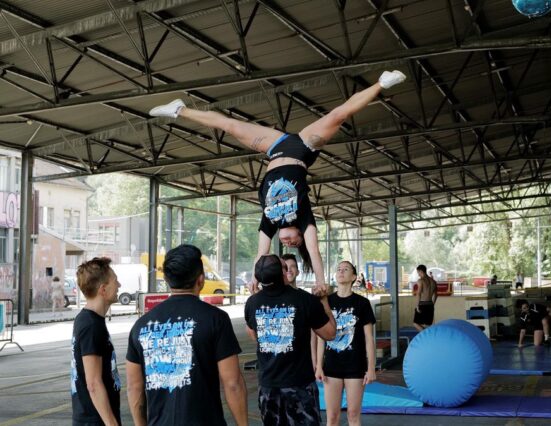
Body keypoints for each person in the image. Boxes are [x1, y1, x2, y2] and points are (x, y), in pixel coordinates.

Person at [149, 71, 407, 295]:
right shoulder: (303, 216)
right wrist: (319, 281)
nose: (290, 243)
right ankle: (381, 84)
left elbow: (261, 253)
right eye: (296, 243)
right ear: (300, 235)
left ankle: (179, 110)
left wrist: (253, 278)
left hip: (275, 149)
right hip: (302, 148)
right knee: (338, 115)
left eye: (288, 245)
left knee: (230, 126)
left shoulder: (270, 222)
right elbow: (315, 252)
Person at [125, 245, 247, 426]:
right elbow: (233, 383)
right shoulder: (216, 319)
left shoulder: (141, 326)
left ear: (167, 280)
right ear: (201, 280)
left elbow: (134, 388)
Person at [245, 255, 336, 426]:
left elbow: (255, 336)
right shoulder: (305, 300)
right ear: (285, 273)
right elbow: (330, 334)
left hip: (268, 387)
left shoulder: (252, 303)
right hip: (299, 387)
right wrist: (324, 300)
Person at [316, 261, 376, 426]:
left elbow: (369, 339)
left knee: (353, 414)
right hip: (331, 366)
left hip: (355, 366)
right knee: (332, 416)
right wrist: (319, 365)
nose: (341, 272)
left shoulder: (362, 303)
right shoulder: (326, 301)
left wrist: (371, 368)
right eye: (338, 269)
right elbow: (321, 337)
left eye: (346, 269)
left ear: (354, 277)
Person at [71, 258, 122, 426]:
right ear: (103, 289)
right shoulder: (91, 325)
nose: (119, 285)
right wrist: (111, 423)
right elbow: (93, 383)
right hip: (95, 420)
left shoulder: (90, 320)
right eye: (115, 281)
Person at [282, 253, 319, 372]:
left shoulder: (307, 299)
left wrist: (314, 359)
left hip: (301, 363)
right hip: (279, 365)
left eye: (292, 266)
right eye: (285, 266)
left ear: (298, 272)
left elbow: (314, 332)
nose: (289, 269)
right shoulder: (271, 299)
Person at [413, 265, 438, 331]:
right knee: (427, 325)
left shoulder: (421, 281)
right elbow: (436, 295)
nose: (418, 274)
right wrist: (433, 304)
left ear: (421, 271)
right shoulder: (433, 281)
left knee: (416, 323)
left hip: (422, 304)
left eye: (418, 272)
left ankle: (425, 335)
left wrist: (417, 305)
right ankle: (427, 336)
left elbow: (418, 294)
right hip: (430, 304)